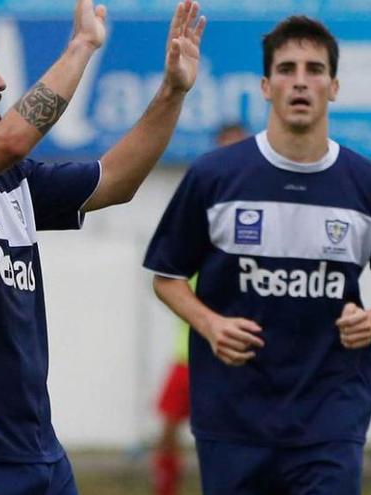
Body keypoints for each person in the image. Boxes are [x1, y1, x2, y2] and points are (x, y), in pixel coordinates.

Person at [0, 1, 206, 494]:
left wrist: (172, 93)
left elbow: (114, 180)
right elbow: (13, 140)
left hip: (36, 450)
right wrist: (82, 46)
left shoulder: (11, 179)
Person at [143, 16, 371, 495]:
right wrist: (211, 325)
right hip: (232, 416)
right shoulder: (214, 177)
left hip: (329, 416)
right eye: (287, 68)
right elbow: (166, 276)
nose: (301, 80)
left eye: (315, 69)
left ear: (333, 86)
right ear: (265, 85)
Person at [150, 123, 249, 495]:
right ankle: (166, 487)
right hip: (190, 352)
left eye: (238, 149)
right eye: (225, 150)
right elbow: (166, 276)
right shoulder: (197, 206)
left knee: (240, 435)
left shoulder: (260, 209)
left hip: (239, 351)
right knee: (167, 429)